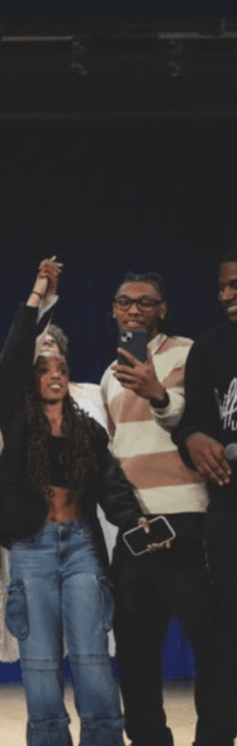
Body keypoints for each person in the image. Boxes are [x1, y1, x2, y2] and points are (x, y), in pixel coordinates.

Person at [0, 258, 152, 746]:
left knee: (92, 658)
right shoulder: (16, 417)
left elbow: (113, 484)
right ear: (30, 379)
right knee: (38, 664)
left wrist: (136, 520)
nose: (53, 375)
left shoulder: (87, 430)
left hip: (80, 547)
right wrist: (37, 293)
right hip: (33, 548)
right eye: (43, 369)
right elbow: (14, 357)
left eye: (61, 368)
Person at [100, 271, 234, 746]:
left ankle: (214, 739)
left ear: (163, 309)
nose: (133, 310)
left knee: (210, 644)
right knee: (136, 651)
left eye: (145, 302)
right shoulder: (108, 375)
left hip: (188, 517)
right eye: (124, 302)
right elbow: (113, 451)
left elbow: (194, 416)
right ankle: (149, 738)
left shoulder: (189, 352)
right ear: (114, 310)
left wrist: (156, 392)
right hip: (137, 525)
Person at [173, 246, 237, 711]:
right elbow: (191, 421)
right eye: (221, 286)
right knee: (226, 629)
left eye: (234, 284)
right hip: (228, 509)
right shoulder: (209, 347)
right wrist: (193, 435)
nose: (226, 294)